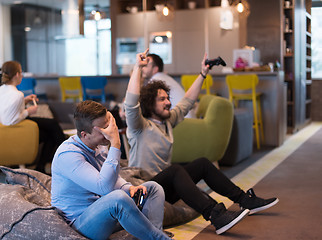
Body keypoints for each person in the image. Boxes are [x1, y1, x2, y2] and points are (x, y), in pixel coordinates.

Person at [124, 49, 279, 235]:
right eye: (162, 99)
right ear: (150, 103)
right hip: (144, 189)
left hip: (164, 191)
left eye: (168, 98)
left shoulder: (166, 122)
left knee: (203, 164)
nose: (168, 103)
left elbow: (187, 101)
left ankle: (245, 200)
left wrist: (203, 74)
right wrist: (137, 68)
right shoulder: (139, 126)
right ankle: (216, 215)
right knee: (175, 170)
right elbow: (131, 103)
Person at [51, 100, 171, 240]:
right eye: (104, 128)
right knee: (117, 198)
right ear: (85, 135)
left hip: (104, 212)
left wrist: (128, 187)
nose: (110, 131)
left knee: (153, 188)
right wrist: (116, 144)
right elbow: (104, 187)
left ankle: (153, 234)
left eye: (109, 125)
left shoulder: (99, 144)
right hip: (80, 223)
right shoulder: (68, 155)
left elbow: (112, 177)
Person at [0, 61, 65, 173]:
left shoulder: (3, 90)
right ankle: (65, 157)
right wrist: (28, 111)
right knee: (53, 126)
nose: (21, 75)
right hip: (16, 127)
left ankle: (40, 167)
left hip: (11, 128)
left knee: (50, 133)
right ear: (16, 75)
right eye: (21, 73)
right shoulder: (17, 94)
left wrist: (24, 101)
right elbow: (10, 120)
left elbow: (8, 109)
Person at [142, 53, 196, 118]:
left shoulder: (156, 81)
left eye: (146, 66)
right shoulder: (165, 78)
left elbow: (146, 107)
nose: (142, 69)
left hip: (182, 121)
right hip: (184, 117)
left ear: (155, 69)